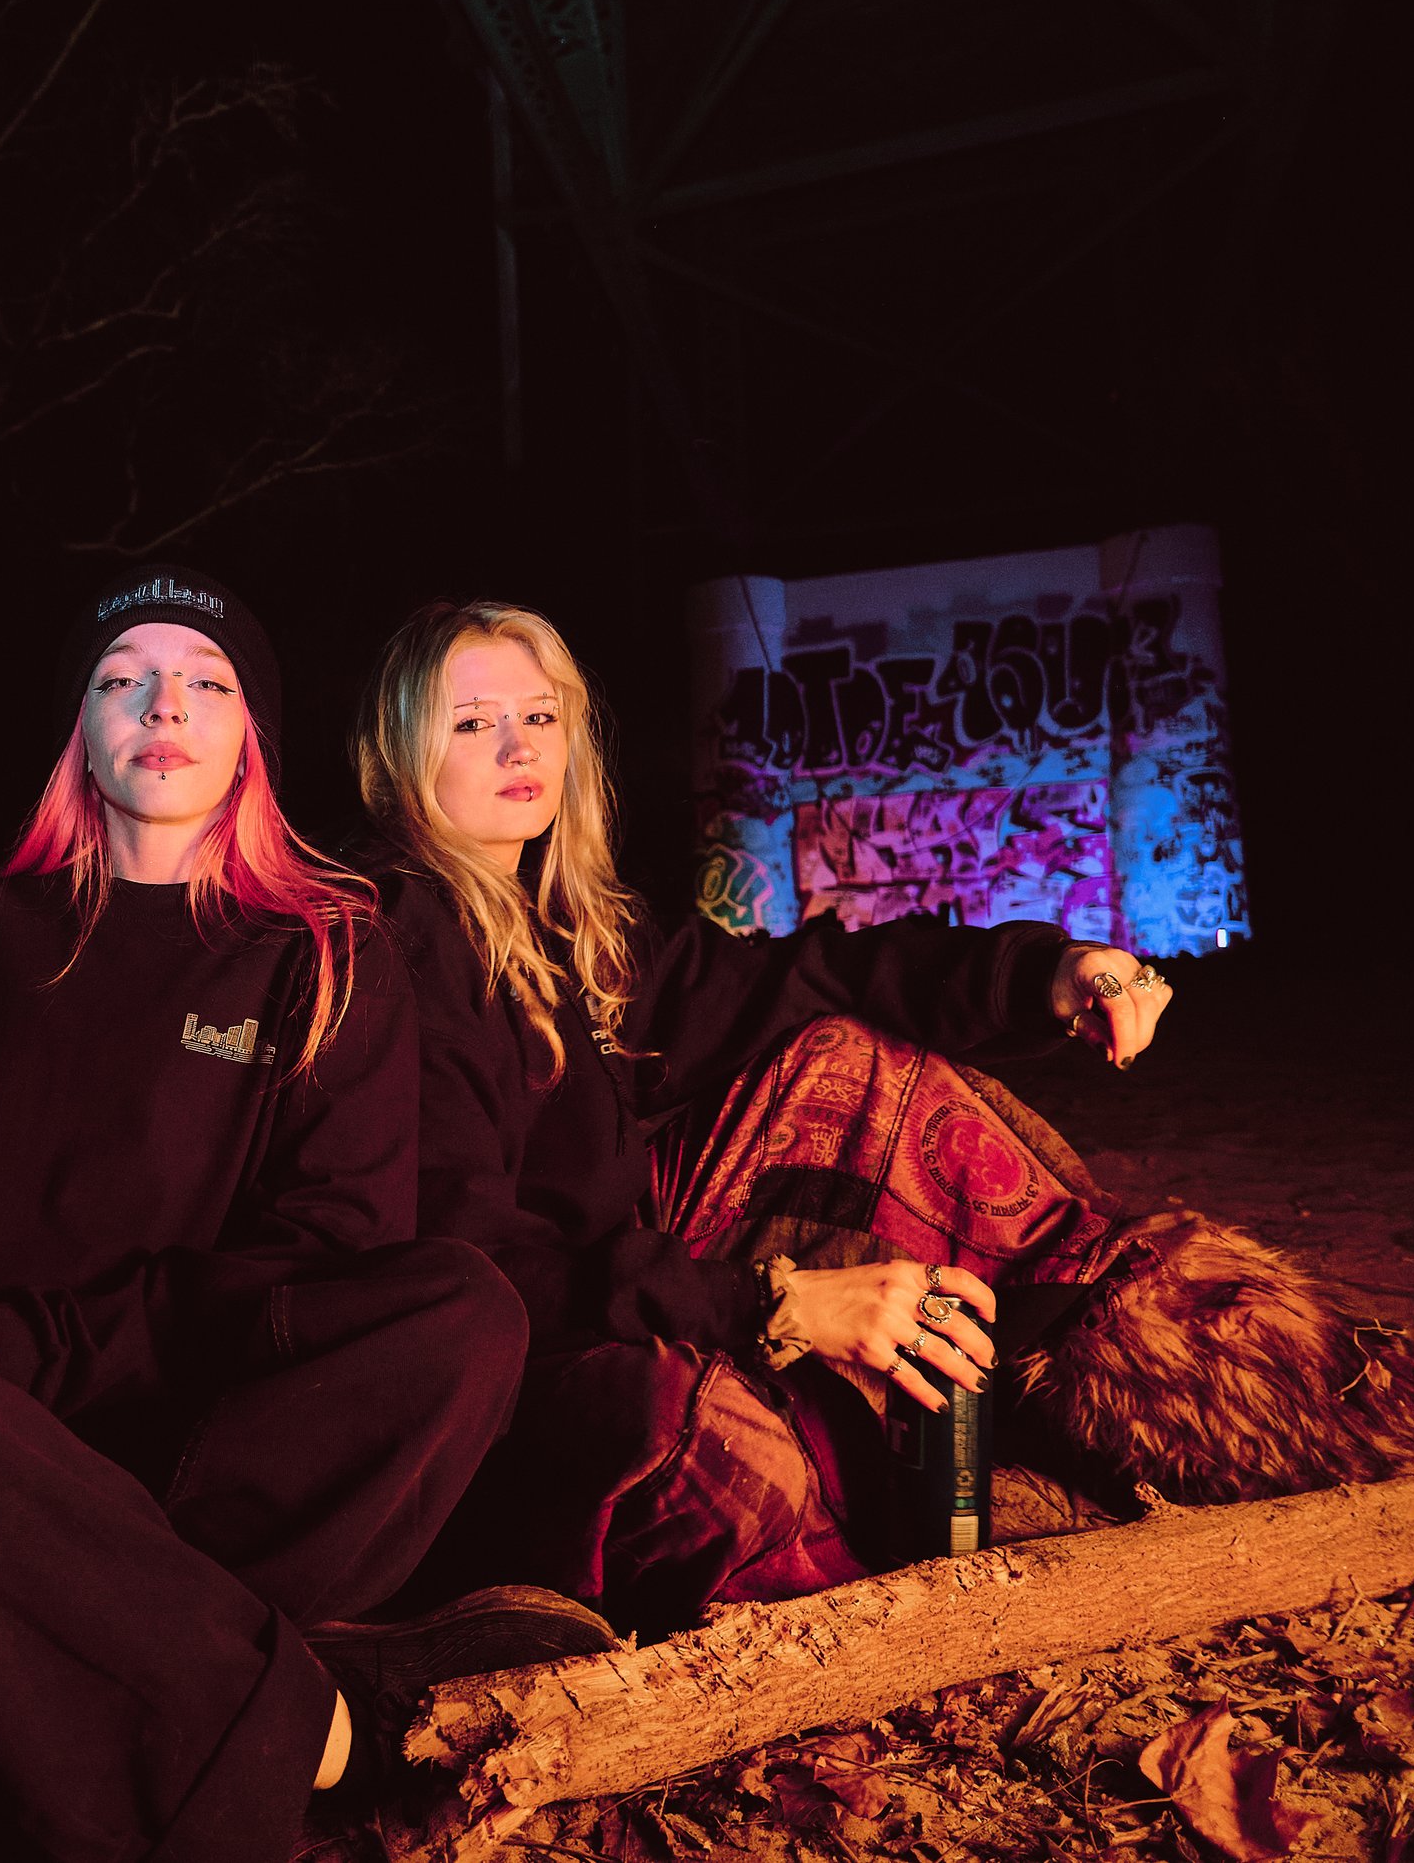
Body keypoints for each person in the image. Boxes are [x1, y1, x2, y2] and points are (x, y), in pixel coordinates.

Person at [0, 569, 609, 1863]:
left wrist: (27, 1332)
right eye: (122, 678)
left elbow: (327, 1261)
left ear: (251, 730)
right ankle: (309, 1721)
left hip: (188, 1447)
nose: (165, 704)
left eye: (207, 682)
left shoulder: (323, 952)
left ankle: (36, 1680)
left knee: (460, 1310)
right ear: (77, 724)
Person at [351, 596, 1177, 1632]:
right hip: (493, 1380)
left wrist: (1044, 974)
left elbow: (805, 979)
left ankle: (1148, 1358)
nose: (521, 747)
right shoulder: (393, 946)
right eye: (473, 724)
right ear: (400, 754)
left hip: (621, 1288)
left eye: (541, 715)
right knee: (715, 1445)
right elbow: (470, 1270)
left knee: (842, 1056)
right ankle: (812, 1543)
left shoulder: (576, 926)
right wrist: (773, 1306)